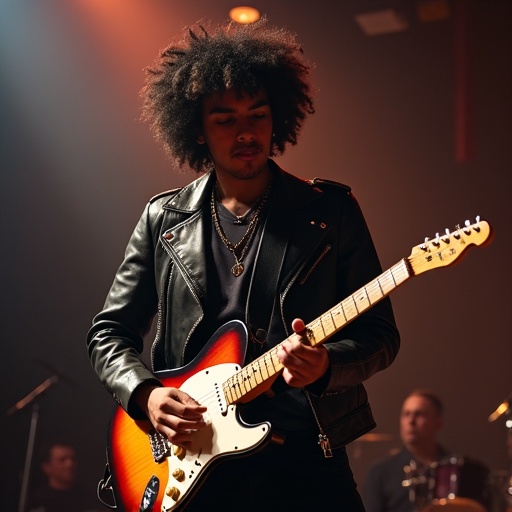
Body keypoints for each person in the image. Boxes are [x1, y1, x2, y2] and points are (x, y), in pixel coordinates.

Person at [86, 17, 400, 512]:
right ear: (197, 129)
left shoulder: (330, 213)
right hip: (192, 463)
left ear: (278, 118)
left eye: (257, 114)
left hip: (305, 458)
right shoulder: (163, 218)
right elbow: (108, 334)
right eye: (225, 119)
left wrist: (326, 366)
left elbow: (381, 336)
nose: (245, 132)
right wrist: (144, 395)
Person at [363, 388, 492, 512]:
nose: (411, 421)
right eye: (406, 414)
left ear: (438, 423)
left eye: (419, 414)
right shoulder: (380, 472)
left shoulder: (460, 470)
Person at [27, 440, 101, 512]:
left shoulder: (91, 498)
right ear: (47, 467)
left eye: (73, 459)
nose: (70, 464)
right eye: (62, 460)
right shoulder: (35, 501)